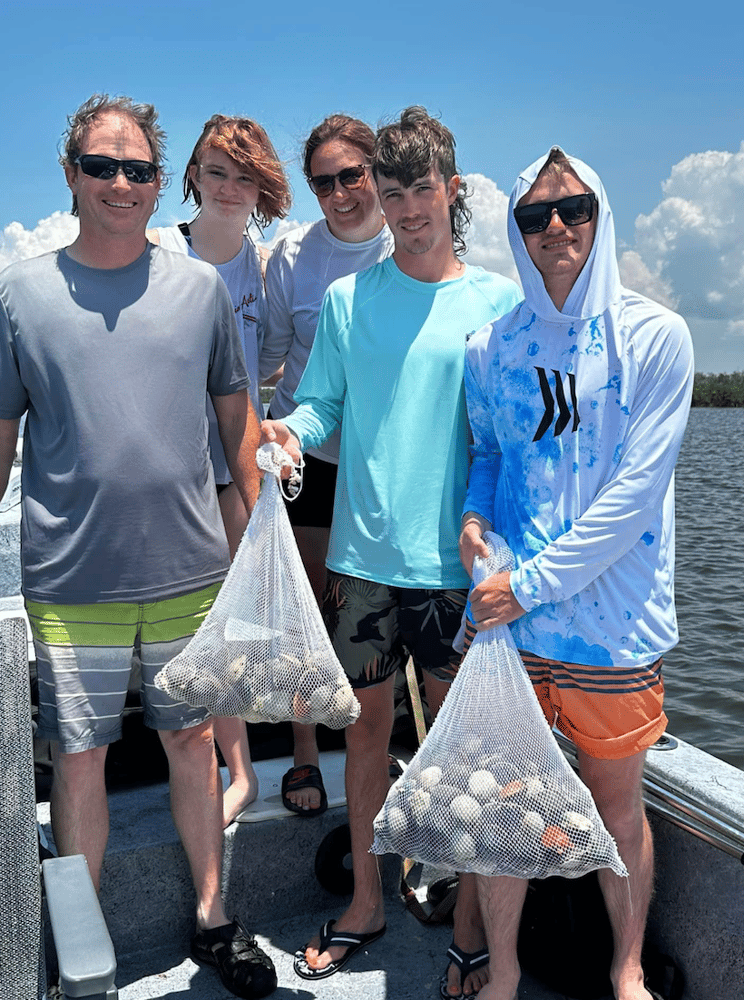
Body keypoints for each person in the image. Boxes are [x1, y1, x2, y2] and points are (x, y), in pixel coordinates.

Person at [0, 94, 276, 1000]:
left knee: (194, 743)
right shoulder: (18, 296)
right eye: (102, 165)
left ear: (163, 184)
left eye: (139, 169)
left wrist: (259, 556)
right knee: (77, 759)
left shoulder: (202, 292)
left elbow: (237, 434)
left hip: (192, 572)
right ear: (70, 174)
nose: (121, 183)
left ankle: (212, 918)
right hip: (69, 579)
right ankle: (86, 953)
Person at [261, 107, 521, 997]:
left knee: (466, 757)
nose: (408, 207)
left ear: (453, 191)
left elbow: (513, 440)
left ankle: (470, 925)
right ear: (379, 194)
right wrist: (288, 433)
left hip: (458, 573)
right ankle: (367, 901)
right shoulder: (346, 300)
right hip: (366, 565)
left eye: (424, 188)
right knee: (365, 739)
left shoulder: (498, 303)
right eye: (393, 189)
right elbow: (321, 406)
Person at [459, 147, 694, 1000]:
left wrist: (525, 584)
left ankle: (626, 971)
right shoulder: (489, 347)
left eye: (574, 208)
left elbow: (633, 497)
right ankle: (504, 973)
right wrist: (474, 522)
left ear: (601, 214)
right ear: (514, 232)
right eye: (534, 215)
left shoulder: (655, 336)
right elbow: (487, 456)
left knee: (615, 809)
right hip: (512, 631)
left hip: (612, 627)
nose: (555, 227)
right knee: (501, 807)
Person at [149, 114, 291, 827]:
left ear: (262, 186)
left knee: (235, 623)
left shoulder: (266, 268)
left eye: (245, 175)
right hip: (171, 470)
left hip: (235, 466)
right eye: (216, 172)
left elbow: (267, 364)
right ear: (193, 180)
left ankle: (243, 771)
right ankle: (220, 765)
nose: (230, 187)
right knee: (198, 623)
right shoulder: (158, 256)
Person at [260, 115, 394, 817]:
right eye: (323, 181)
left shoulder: (410, 242)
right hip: (308, 458)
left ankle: (382, 742)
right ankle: (305, 753)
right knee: (307, 610)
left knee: (376, 611)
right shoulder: (291, 257)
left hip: (383, 466)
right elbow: (269, 357)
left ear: (378, 171)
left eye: (353, 174)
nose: (341, 192)